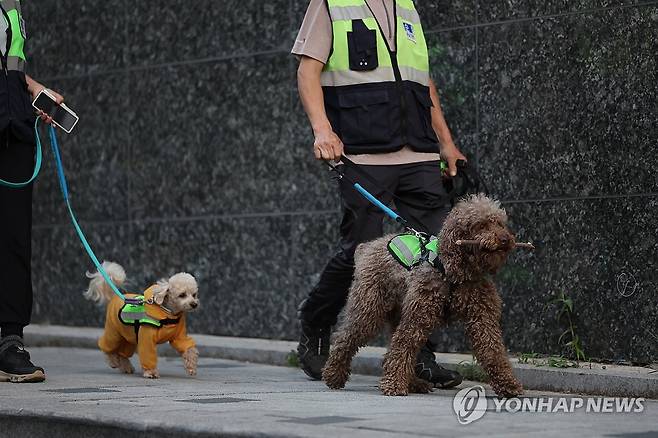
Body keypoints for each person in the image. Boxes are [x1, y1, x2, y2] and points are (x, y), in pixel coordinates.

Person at [292, 0, 467, 387]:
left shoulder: (406, 6)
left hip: (418, 152)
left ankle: (418, 353)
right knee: (362, 252)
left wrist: (446, 143)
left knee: (435, 252)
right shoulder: (331, 4)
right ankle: (316, 322)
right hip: (360, 149)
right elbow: (308, 71)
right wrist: (323, 130)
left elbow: (422, 81)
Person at [0, 0, 64, 383]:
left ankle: (10, 341)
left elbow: (10, 62)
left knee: (14, 238)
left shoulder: (12, 2)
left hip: (14, 122)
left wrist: (33, 88)